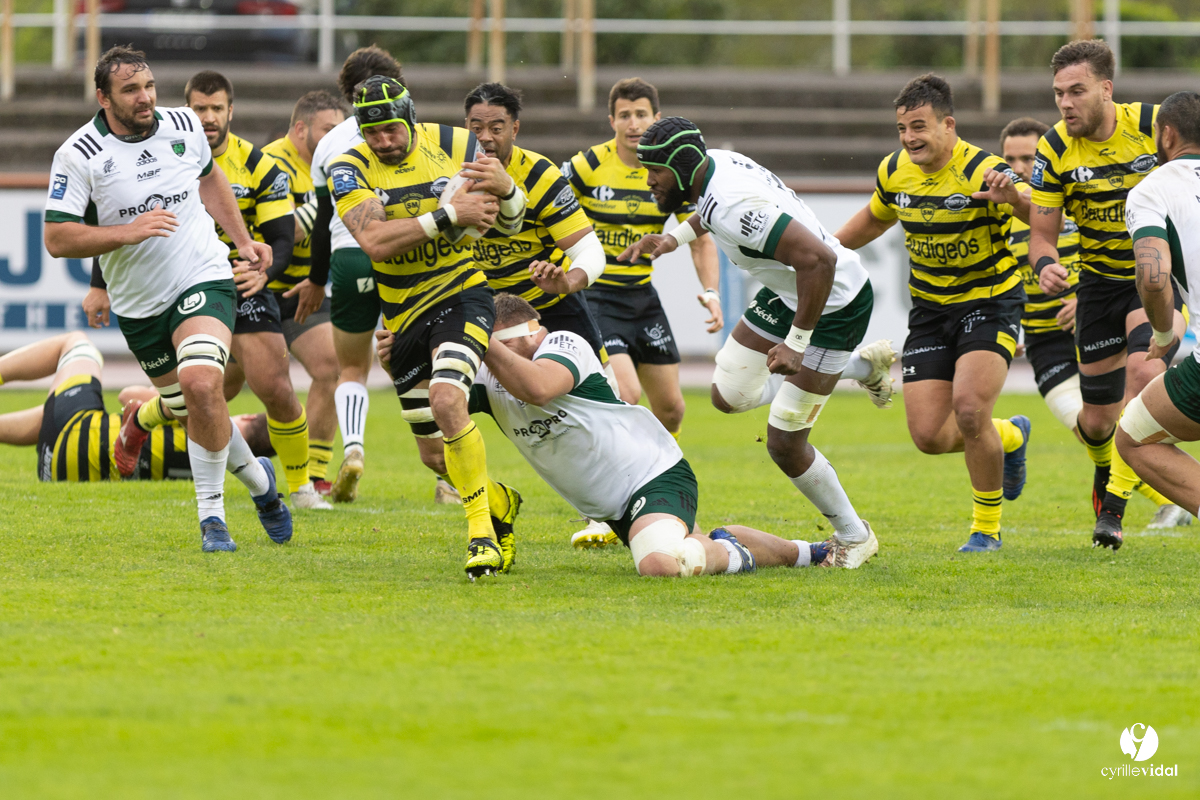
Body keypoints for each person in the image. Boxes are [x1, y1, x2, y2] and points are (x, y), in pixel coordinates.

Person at [379, 294, 844, 576]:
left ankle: (730, 549)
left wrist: (482, 341)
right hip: (613, 505)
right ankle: (807, 553)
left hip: (655, 476)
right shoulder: (490, 375)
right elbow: (443, 408)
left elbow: (538, 389)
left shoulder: (565, 345)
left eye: (497, 341)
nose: (486, 356)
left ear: (529, 331)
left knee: (661, 564)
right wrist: (403, 364)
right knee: (688, 547)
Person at [44, 46, 291, 551]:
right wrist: (125, 234)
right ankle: (263, 485)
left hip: (203, 276)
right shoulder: (79, 153)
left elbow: (211, 179)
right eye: (131, 90)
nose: (145, 98)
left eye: (149, 86)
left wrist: (243, 242)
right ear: (103, 98)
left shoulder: (182, 123)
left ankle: (212, 518)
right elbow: (57, 237)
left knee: (203, 384)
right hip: (139, 306)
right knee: (192, 405)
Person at [621, 117, 882, 569]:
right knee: (729, 395)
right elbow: (706, 211)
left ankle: (854, 536)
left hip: (834, 303)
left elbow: (819, 260)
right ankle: (862, 368)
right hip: (789, 292)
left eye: (656, 172)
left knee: (784, 441)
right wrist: (673, 238)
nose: (650, 182)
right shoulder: (711, 167)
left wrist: (798, 344)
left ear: (681, 167)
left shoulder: (734, 205)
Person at [327, 75, 526, 579]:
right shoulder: (348, 167)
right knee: (434, 454)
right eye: (371, 133)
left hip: (461, 292)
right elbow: (372, 241)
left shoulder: (456, 144)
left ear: (410, 117)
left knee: (446, 399)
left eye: (391, 129)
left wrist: (507, 193)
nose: (383, 141)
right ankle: (499, 501)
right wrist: (447, 214)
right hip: (402, 318)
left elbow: (509, 221)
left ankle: (481, 536)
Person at [834, 74, 1033, 553]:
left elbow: (1043, 217)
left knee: (968, 410)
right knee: (929, 437)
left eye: (919, 126)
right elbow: (875, 218)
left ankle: (985, 529)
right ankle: (1009, 436)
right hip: (929, 311)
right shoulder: (894, 170)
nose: (909, 138)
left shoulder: (987, 171)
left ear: (949, 125)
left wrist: (1014, 199)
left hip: (989, 303)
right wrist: (822, 252)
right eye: (902, 129)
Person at [1028, 40, 1189, 549]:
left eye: (1076, 91)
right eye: (1058, 94)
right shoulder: (1053, 148)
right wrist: (1047, 265)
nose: (1066, 103)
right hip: (1096, 286)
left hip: (1155, 278)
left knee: (1145, 372)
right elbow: (1041, 235)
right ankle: (1107, 470)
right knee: (1096, 422)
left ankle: (1114, 504)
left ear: (1106, 89)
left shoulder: (1152, 125)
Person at [1000, 116, 1183, 527]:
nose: (1020, 167)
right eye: (1010, 158)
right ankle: (1150, 492)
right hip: (1047, 344)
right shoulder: (998, 217)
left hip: (1096, 327)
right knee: (1090, 429)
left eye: (1029, 157)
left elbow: (1104, 267)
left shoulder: (1069, 210)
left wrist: (1081, 299)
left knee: (1130, 411)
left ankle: (1156, 501)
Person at [179, 70, 328, 510]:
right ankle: (142, 418)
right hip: (185, 288)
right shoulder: (165, 158)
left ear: (230, 111)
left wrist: (266, 272)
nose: (208, 117)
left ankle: (299, 488)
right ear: (186, 110)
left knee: (276, 388)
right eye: (199, 108)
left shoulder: (260, 164)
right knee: (197, 393)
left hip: (242, 286)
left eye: (216, 108)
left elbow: (281, 237)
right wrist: (100, 286)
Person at [563, 78, 722, 441]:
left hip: (641, 298)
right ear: (611, 121)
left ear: (656, 118)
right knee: (627, 393)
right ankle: (620, 478)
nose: (633, 123)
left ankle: (664, 473)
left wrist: (711, 291)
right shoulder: (587, 165)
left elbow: (700, 240)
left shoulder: (669, 171)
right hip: (595, 297)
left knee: (671, 409)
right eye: (624, 115)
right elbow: (547, 215)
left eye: (640, 114)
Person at [304, 46, 406, 504]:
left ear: (346, 92)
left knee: (350, 366)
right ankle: (446, 480)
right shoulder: (414, 133)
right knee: (421, 365)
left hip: (349, 259)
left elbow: (325, 225)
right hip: (407, 254)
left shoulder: (329, 143)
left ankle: (354, 449)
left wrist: (315, 279)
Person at [0, 332, 270, 482]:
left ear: (246, 416)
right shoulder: (215, 472)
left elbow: (127, 395)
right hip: (59, 472)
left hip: (79, 436)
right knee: (59, 412)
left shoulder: (201, 415)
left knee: (77, 345)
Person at [1113, 91, 1200, 544]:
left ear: (1166, 134)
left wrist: (1164, 333)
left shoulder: (1153, 188)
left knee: (1132, 436)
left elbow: (1152, 275)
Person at [260, 90, 347, 497]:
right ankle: (147, 419)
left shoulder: (333, 163)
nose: (337, 137)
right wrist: (330, 198)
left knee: (332, 365)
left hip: (302, 291)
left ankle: (313, 474)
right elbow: (288, 231)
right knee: (218, 387)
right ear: (300, 129)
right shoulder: (271, 163)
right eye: (329, 129)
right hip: (256, 290)